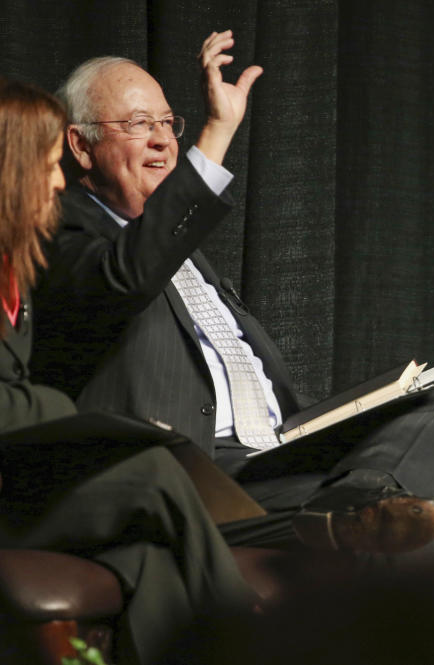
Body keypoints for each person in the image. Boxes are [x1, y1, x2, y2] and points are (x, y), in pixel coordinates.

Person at [30, 30, 434, 555]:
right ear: (80, 145)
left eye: (168, 124)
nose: (163, 141)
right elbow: (126, 278)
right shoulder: (59, 235)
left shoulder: (187, 257)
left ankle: (362, 494)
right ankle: (365, 516)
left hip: (274, 451)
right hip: (188, 469)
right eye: (139, 125)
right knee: (398, 530)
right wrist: (217, 132)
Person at [0, 76, 259, 665]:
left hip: (24, 484)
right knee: (153, 475)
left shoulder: (16, 270)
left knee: (150, 562)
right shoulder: (70, 245)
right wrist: (64, 413)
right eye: (47, 166)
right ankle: (257, 642)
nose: (59, 181)